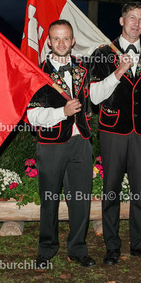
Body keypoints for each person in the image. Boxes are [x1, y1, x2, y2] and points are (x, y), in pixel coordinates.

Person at [90, 2, 141, 265]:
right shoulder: (102, 54)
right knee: (111, 189)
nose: (136, 23)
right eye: (131, 18)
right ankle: (112, 246)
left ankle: (139, 244)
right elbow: (94, 97)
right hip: (113, 131)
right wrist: (118, 72)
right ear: (121, 21)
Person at [27, 19, 95, 268]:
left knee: (81, 199)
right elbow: (32, 116)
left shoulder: (83, 70)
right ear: (49, 42)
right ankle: (46, 250)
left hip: (81, 142)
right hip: (51, 144)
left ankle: (78, 249)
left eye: (66, 38)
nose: (62, 43)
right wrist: (62, 112)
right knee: (50, 198)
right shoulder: (38, 74)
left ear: (73, 41)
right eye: (56, 38)